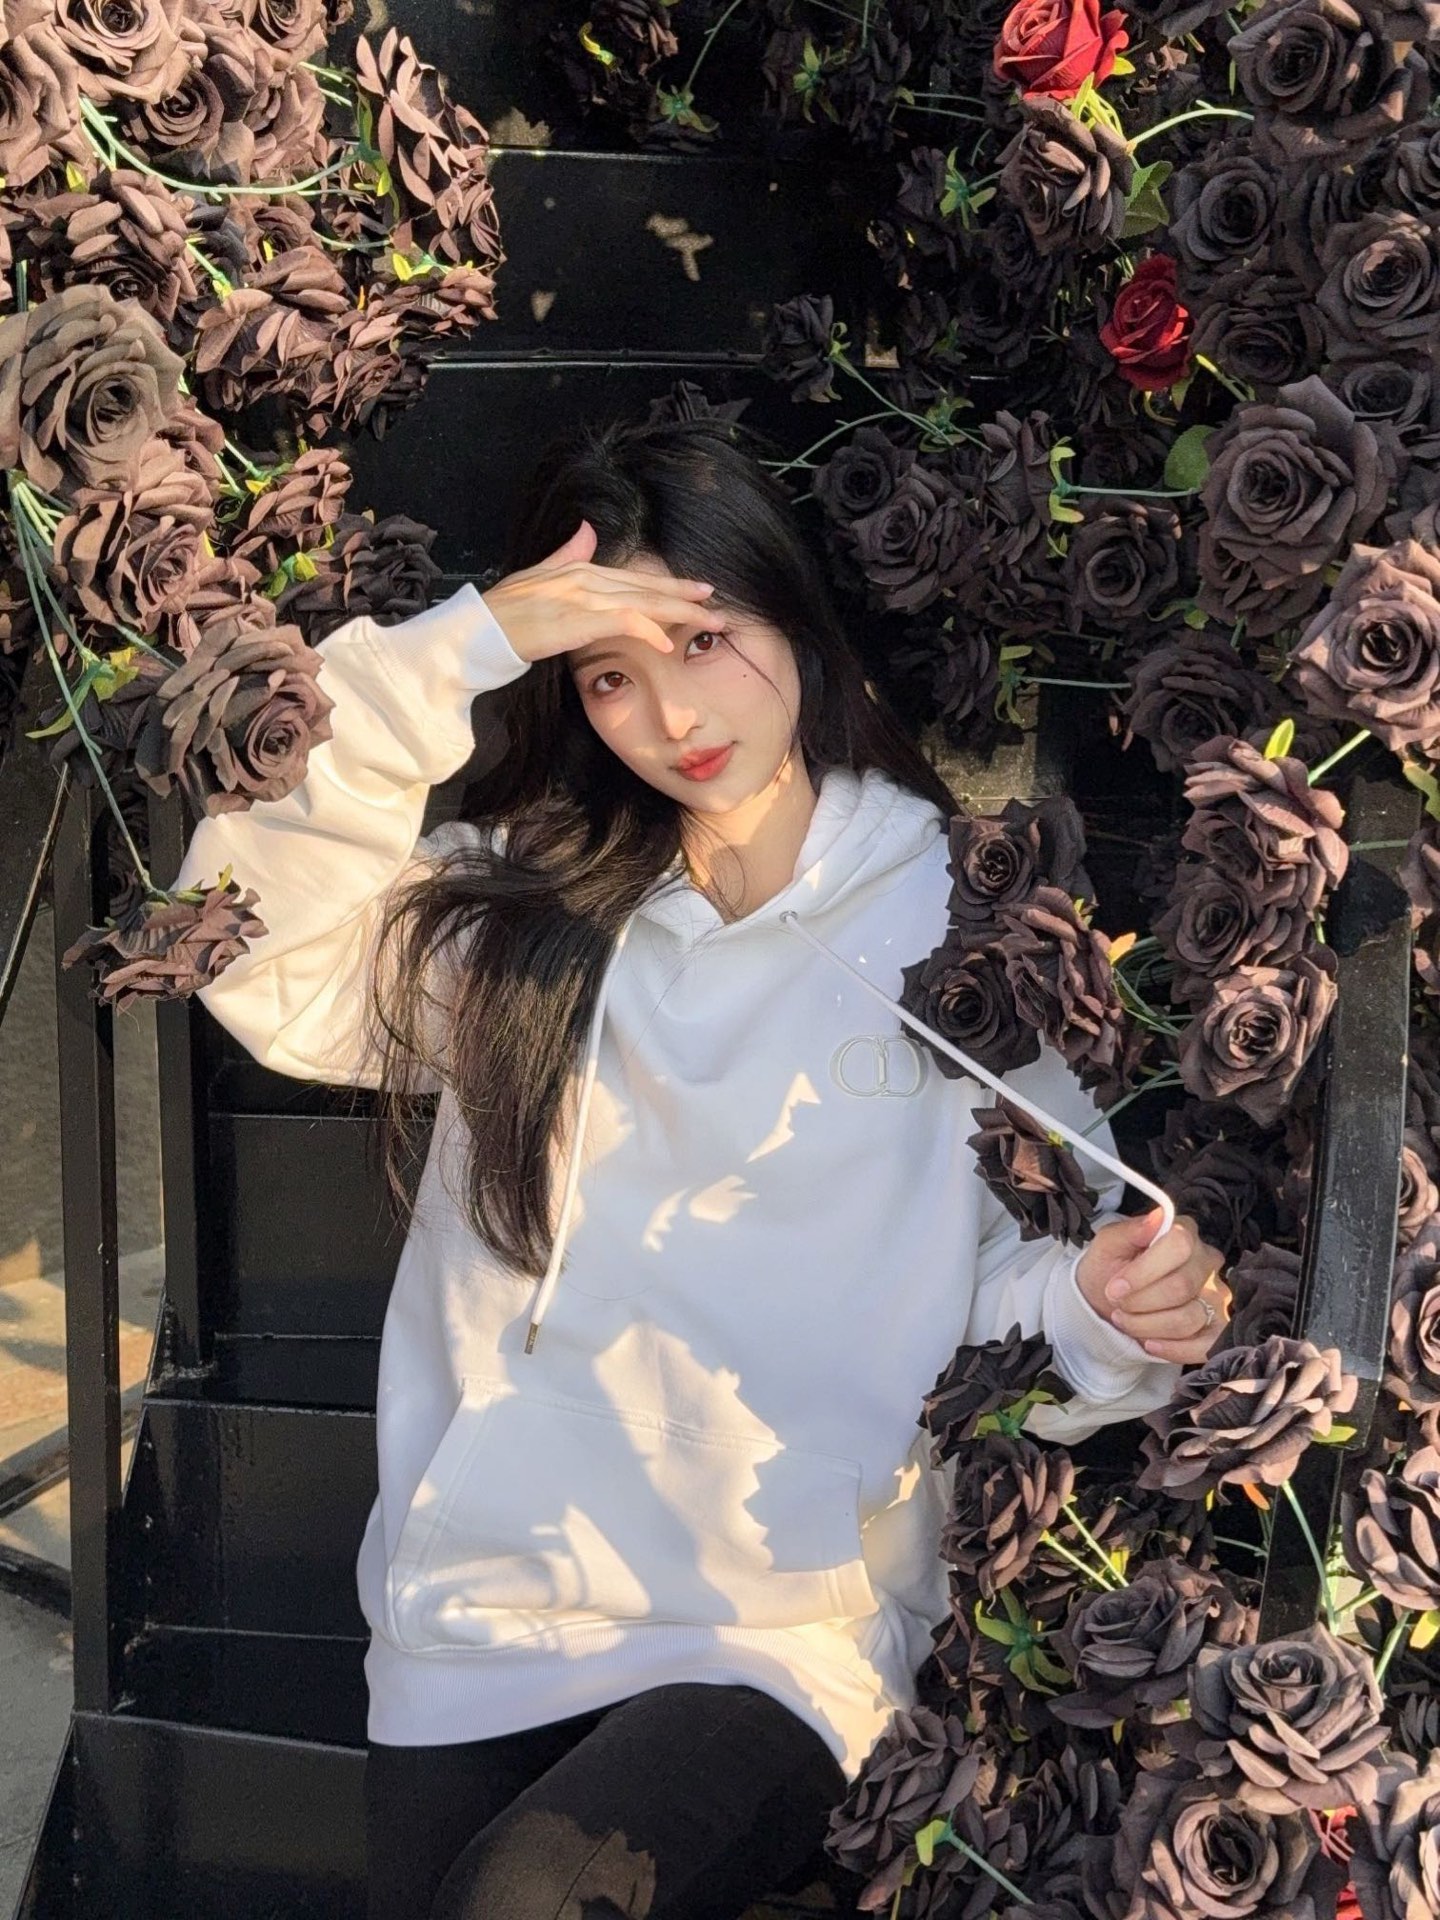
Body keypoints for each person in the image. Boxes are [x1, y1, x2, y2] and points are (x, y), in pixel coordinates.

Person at [173, 413, 1228, 1920]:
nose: (671, 716)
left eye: (703, 640)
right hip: (481, 1611)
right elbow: (241, 942)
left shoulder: (964, 927)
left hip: (772, 1629)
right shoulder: (516, 915)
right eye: (607, 674)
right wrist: (465, 645)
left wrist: (1105, 1311)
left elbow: (1013, 1285)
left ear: (792, 618)